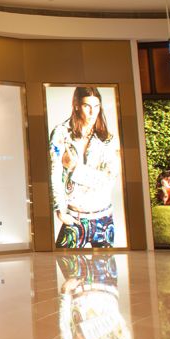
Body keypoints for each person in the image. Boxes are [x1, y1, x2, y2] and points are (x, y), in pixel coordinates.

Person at [50, 87, 120, 248]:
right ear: (76, 106)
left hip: (103, 218)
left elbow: (108, 180)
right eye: (87, 106)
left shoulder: (107, 139)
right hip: (75, 216)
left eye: (96, 106)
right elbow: (54, 173)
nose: (92, 112)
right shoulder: (61, 133)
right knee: (65, 261)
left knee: (106, 264)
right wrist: (59, 210)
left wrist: (75, 168)